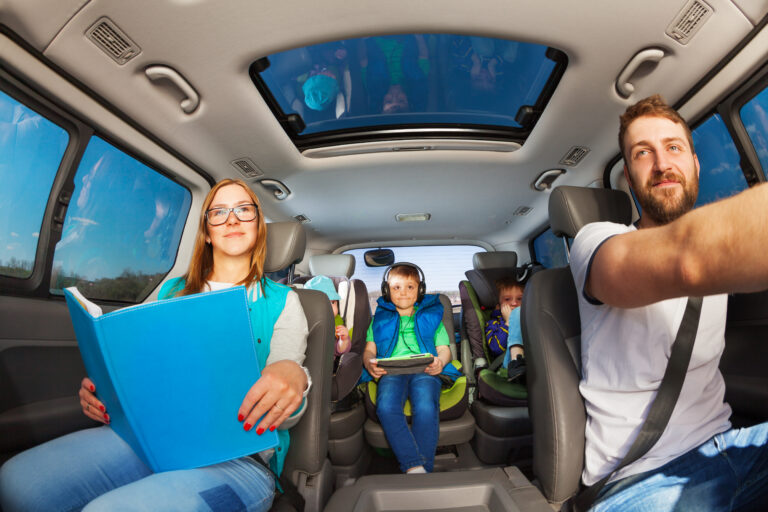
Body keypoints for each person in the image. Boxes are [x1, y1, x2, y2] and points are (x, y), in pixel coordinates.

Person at [0, 179, 310, 512]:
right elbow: (143, 372)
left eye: (243, 210)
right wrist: (106, 391)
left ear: (258, 227)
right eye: (218, 212)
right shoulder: (171, 292)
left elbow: (288, 399)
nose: (232, 219)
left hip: (238, 460)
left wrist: (294, 377)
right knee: (17, 481)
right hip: (153, 441)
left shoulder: (284, 302)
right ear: (206, 231)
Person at [570, 94, 768, 511]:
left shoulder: (715, 251)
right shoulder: (596, 242)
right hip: (641, 480)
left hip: (733, 446)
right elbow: (687, 259)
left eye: (674, 148)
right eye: (644, 153)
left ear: (695, 164)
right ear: (629, 176)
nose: (662, 164)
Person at [361, 263, 461, 474]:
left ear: (420, 290)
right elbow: (369, 350)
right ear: (387, 291)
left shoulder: (432, 319)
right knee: (386, 407)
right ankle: (415, 465)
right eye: (396, 287)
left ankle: (421, 469)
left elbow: (445, 350)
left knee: (425, 406)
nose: (403, 293)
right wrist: (370, 362)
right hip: (391, 372)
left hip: (425, 370)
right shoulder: (379, 320)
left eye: (410, 287)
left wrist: (440, 363)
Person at [484, 276, 526, 381]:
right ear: (498, 306)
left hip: (531, 362)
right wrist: (508, 323)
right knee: (517, 312)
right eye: (507, 299)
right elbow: (496, 349)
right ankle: (516, 361)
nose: (514, 303)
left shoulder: (528, 319)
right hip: (507, 367)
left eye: (519, 299)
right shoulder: (493, 323)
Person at [303, 275, 352, 357]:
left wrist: (343, 340)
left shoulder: (335, 323)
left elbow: (339, 350)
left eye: (333, 302)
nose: (330, 307)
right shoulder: (302, 320)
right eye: (323, 302)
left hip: (324, 365)